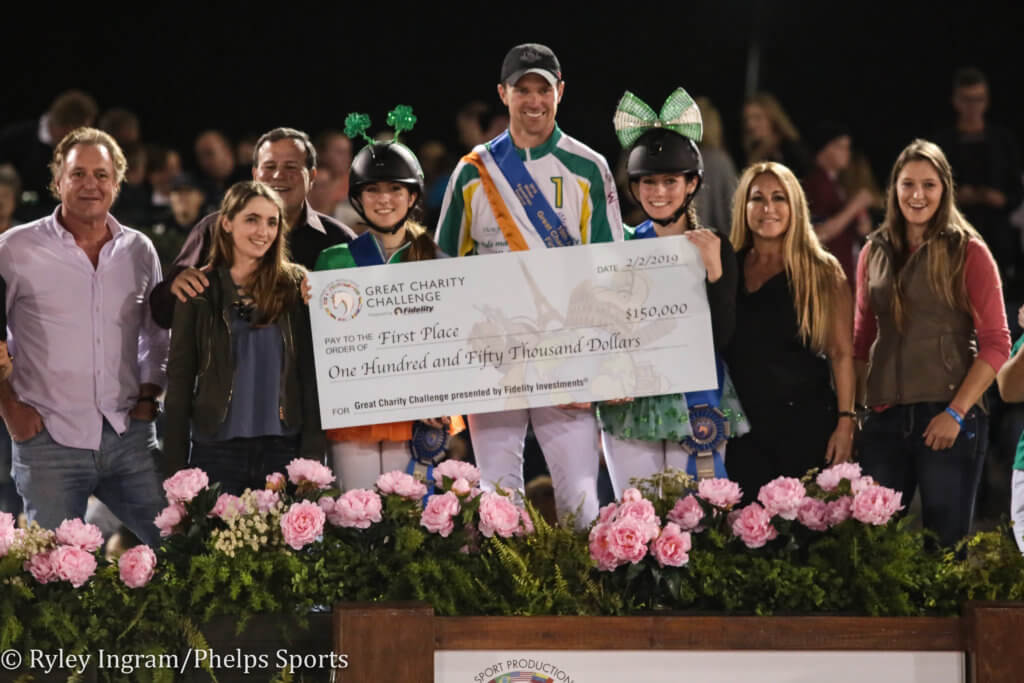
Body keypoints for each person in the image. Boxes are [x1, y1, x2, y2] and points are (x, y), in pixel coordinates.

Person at [434, 43, 624, 526]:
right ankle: (504, 599)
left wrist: (602, 361)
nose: (534, 100)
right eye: (523, 89)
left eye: (544, 89)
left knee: (580, 496)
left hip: (568, 353)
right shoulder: (472, 172)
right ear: (503, 93)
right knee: (498, 493)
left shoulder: (588, 168)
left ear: (560, 92)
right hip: (495, 355)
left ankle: (583, 600)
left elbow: (611, 270)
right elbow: (443, 271)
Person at [0, 127, 167, 545]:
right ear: (58, 182)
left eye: (101, 174)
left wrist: (149, 397)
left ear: (117, 181)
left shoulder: (140, 249)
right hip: (47, 439)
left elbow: (156, 336)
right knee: (52, 581)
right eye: (78, 174)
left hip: (130, 436)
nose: (90, 184)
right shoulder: (14, 250)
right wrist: (11, 411)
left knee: (182, 549)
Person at [854, 139, 1010, 548]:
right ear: (893, 189)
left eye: (929, 184)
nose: (917, 195)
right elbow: (860, 341)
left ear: (945, 190)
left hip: (948, 417)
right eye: (907, 184)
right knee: (873, 551)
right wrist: (854, 414)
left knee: (944, 550)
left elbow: (997, 343)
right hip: (885, 418)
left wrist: (956, 413)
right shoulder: (873, 251)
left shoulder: (968, 250)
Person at [598, 88, 747, 497]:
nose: (658, 192)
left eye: (669, 181)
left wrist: (715, 273)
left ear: (692, 184)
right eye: (648, 181)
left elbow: (722, 337)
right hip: (631, 399)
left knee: (693, 520)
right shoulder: (619, 247)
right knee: (634, 519)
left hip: (693, 398)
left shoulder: (714, 244)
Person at [315, 109, 464, 490]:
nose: (384, 200)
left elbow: (453, 338)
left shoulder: (434, 258)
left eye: (395, 189)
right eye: (373, 190)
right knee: (356, 515)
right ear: (358, 198)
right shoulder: (334, 261)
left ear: (412, 195)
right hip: (356, 409)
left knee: (408, 519)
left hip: (417, 411)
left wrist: (443, 397)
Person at [163, 181, 325, 492]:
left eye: (272, 222)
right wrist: (174, 467)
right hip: (216, 451)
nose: (262, 231)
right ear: (226, 223)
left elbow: (310, 377)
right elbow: (180, 379)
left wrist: (312, 457)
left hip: (284, 450)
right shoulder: (198, 291)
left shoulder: (296, 286)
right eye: (252, 219)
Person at [725, 161, 855, 503]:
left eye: (779, 198)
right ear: (744, 206)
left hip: (805, 426)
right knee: (747, 539)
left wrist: (846, 422)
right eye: (758, 198)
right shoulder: (727, 267)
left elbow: (842, 354)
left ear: (795, 205)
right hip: (742, 429)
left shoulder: (822, 270)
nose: (768, 208)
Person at [149, 127, 356, 329]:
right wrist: (174, 290)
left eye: (291, 167)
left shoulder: (339, 239)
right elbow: (162, 314)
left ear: (311, 176)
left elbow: (363, 319)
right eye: (269, 166)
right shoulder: (213, 229)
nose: (278, 176)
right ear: (256, 174)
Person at [934, 68, 1023, 281]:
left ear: (987, 101)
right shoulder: (943, 143)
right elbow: (931, 186)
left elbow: (1016, 189)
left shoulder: (1003, 141)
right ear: (955, 101)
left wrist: (1000, 198)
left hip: (997, 237)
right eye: (966, 100)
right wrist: (955, 197)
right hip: (955, 236)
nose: (973, 107)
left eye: (978, 100)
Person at [803, 122, 875, 289]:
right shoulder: (816, 184)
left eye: (847, 147)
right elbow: (820, 233)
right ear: (823, 149)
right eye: (839, 147)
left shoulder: (836, 184)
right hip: (828, 280)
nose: (846, 152)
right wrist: (854, 206)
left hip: (843, 274)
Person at [742, 93, 811, 179]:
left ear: (772, 118)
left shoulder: (792, 149)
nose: (750, 125)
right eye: (747, 119)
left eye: (757, 118)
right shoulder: (748, 152)